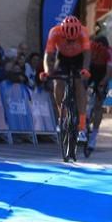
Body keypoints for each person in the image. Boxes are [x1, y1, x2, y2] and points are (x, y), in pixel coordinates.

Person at [42, 14, 91, 143]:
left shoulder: (84, 32)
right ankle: (62, 118)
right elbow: (48, 55)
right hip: (62, 58)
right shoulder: (54, 32)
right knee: (58, 83)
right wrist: (47, 71)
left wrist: (85, 70)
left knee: (79, 84)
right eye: (67, 40)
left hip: (79, 58)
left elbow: (87, 55)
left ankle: (81, 126)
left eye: (73, 40)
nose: (70, 42)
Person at [86, 34, 111, 149]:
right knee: (98, 106)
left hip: (101, 73)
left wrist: (102, 83)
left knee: (98, 105)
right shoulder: (90, 48)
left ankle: (94, 132)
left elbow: (109, 71)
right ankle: (93, 133)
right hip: (91, 70)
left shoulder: (108, 52)